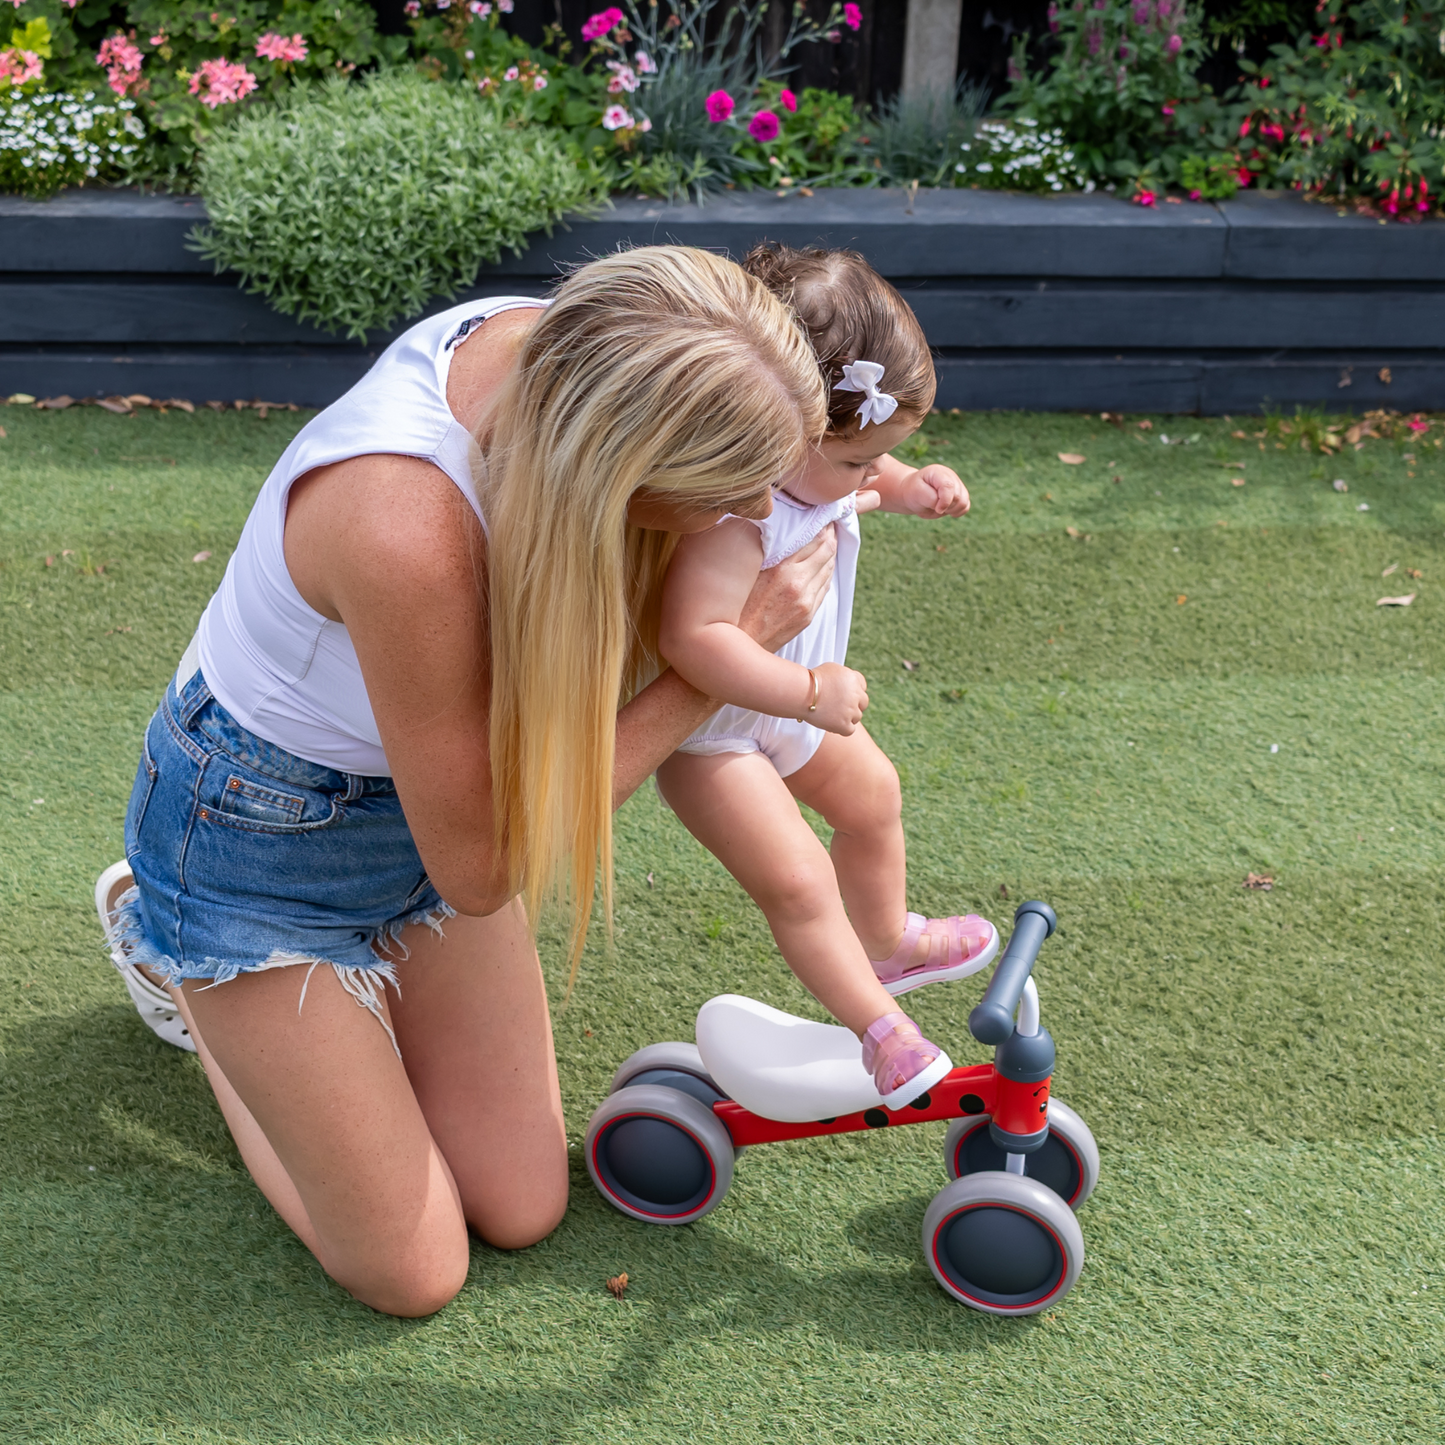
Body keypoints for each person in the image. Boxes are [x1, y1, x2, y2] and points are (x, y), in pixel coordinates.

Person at [95, 246, 839, 1317]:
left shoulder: (591, 344)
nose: (757, 511)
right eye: (731, 488)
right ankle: (180, 953)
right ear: (617, 469)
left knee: (522, 1203)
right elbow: (485, 868)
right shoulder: (404, 525)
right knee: (415, 1272)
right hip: (256, 838)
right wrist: (721, 656)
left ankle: (314, 1035)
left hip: (428, 809)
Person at [656, 245, 999, 1107]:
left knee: (873, 795)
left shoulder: (827, 463)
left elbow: (868, 468)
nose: (864, 477)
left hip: (793, 715)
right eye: (856, 461)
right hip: (713, 740)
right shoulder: (737, 513)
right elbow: (693, 641)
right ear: (784, 423)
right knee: (801, 879)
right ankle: (878, 1029)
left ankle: (885, 939)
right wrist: (807, 693)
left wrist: (914, 483)